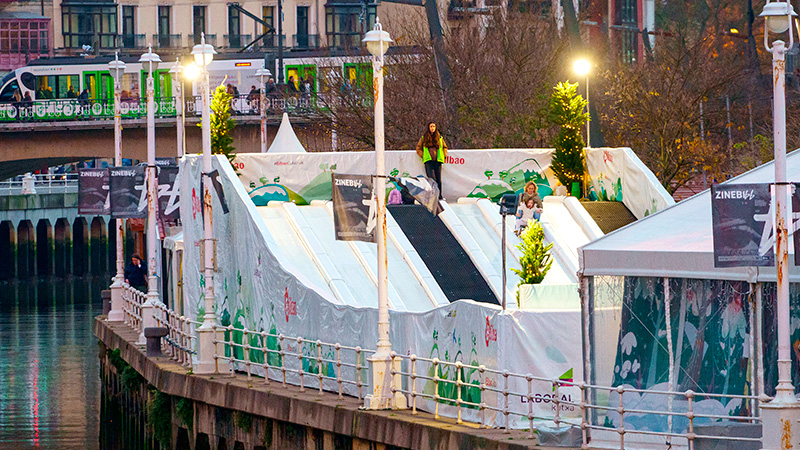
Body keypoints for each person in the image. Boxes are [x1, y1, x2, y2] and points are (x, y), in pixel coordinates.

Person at [415, 122, 448, 199]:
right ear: (428, 128)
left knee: (438, 179)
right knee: (430, 179)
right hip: (428, 160)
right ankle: (432, 195)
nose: (432, 128)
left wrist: (444, 155)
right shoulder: (424, 138)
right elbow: (418, 148)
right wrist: (423, 155)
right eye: (431, 126)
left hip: (438, 160)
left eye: (434, 126)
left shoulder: (440, 138)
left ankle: (439, 195)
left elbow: (444, 147)